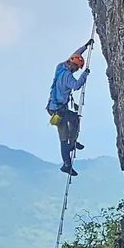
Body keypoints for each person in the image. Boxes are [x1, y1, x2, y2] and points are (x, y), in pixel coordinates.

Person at [46, 45, 90, 175]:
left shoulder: (61, 67)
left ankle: (72, 143)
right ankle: (67, 163)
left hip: (54, 107)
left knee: (75, 119)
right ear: (72, 66)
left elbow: (75, 54)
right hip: (59, 111)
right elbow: (76, 86)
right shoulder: (67, 76)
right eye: (76, 68)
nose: (76, 71)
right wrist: (85, 74)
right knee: (64, 136)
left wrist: (86, 46)